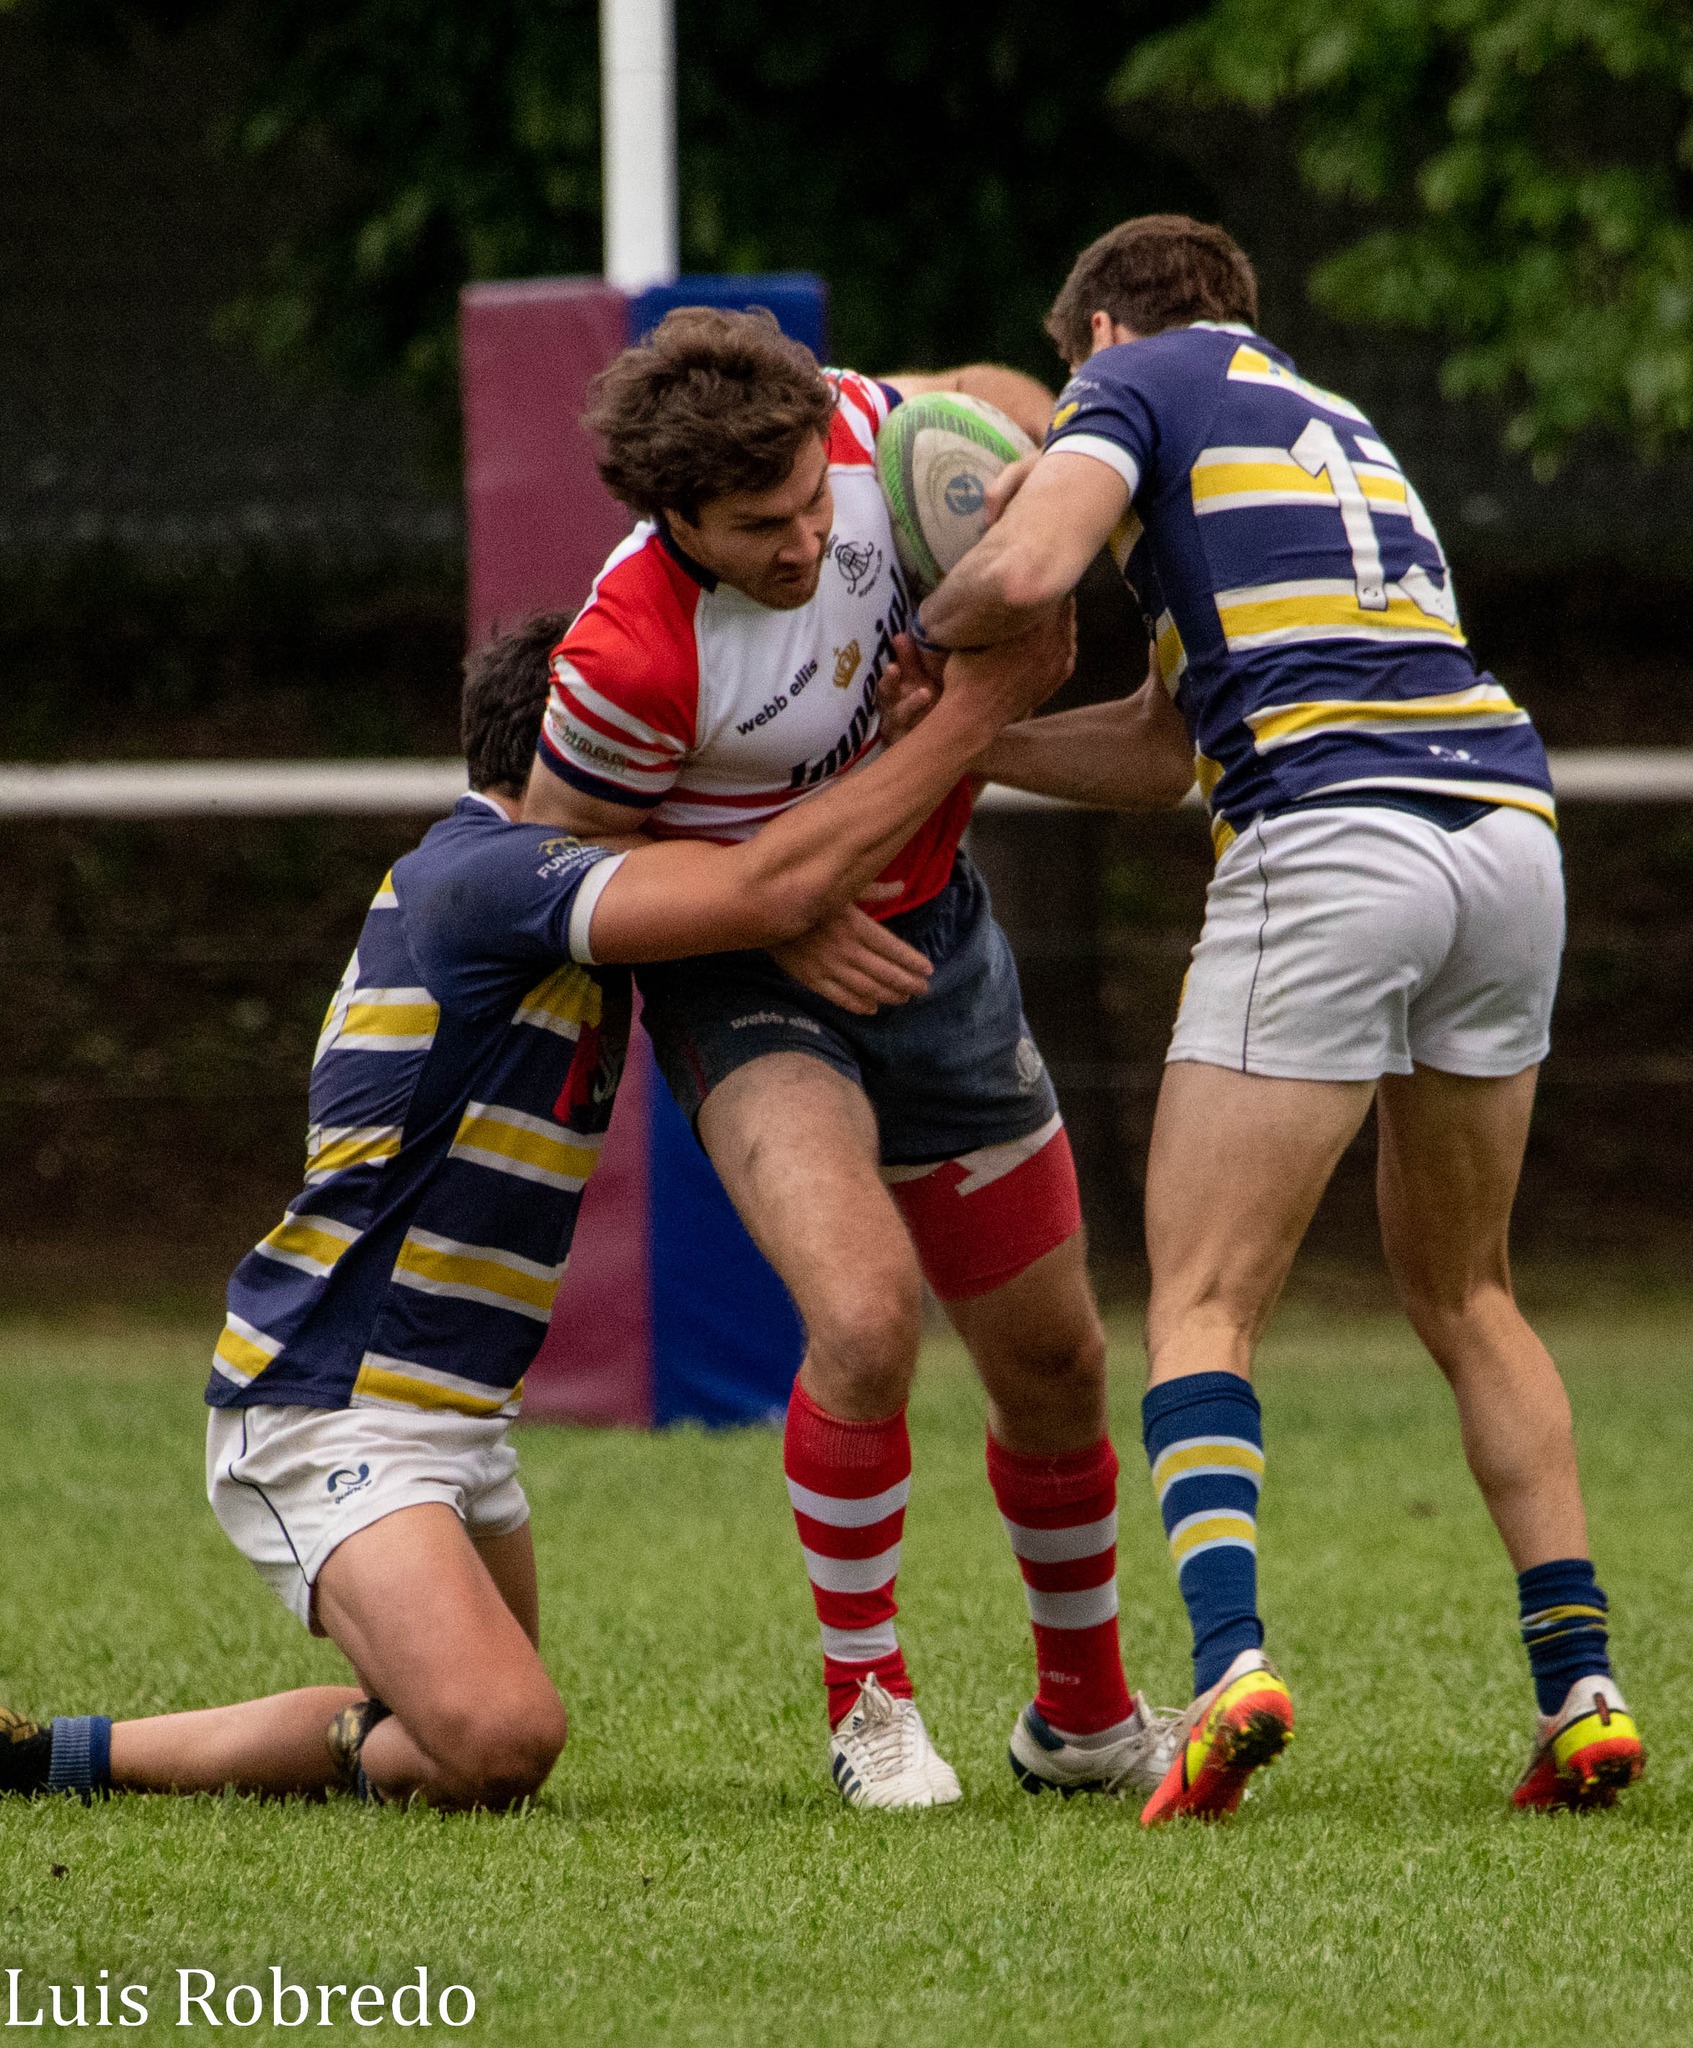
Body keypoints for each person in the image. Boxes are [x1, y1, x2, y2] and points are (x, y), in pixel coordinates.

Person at [0, 603, 1068, 1810]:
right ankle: (198, 1755)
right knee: (502, 1737)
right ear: (591, 744)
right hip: (331, 1403)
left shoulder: (550, 898)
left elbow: (768, 892)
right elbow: (772, 879)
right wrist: (962, 724)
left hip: (460, 1420)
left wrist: (794, 899)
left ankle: (50, 1757)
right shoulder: (492, 874)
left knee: (461, 1745)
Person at [909, 214, 1645, 1821]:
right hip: (1504, 838)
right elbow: (1165, 748)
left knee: (1201, 1295)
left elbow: (1025, 566)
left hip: (1329, 839)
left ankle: (1231, 1668)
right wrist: (967, 746)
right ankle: (1579, 1689)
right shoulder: (1322, 427)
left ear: (1099, 329)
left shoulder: (1134, 385)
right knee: (1467, 1292)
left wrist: (916, 636)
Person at [523, 306, 1175, 1811]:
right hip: (745, 987)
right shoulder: (626, 660)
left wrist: (1019, 506)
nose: (809, 540)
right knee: (868, 1318)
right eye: (760, 529)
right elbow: (562, 884)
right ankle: (866, 1706)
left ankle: (1081, 1716)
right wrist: (768, 905)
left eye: (817, 501)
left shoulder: (872, 430)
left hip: (935, 940)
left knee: (1058, 1358)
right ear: (670, 516)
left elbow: (1014, 404)